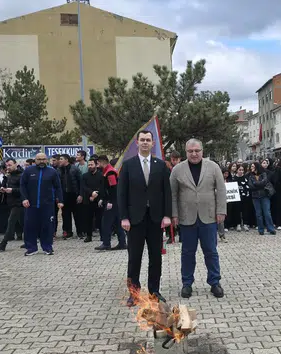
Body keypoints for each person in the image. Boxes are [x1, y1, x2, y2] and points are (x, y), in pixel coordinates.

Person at [118, 130, 171, 306]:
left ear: (153, 143)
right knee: (134, 257)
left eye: (148, 140)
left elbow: (167, 193)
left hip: (156, 219)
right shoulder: (128, 165)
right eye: (142, 140)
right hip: (134, 220)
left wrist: (167, 215)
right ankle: (134, 293)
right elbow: (122, 193)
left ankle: (154, 291)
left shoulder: (161, 165)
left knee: (156, 257)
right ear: (137, 143)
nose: (145, 143)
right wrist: (124, 217)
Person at [170, 139, 226, 299]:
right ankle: (187, 284)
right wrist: (174, 214)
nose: (194, 154)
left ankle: (215, 282)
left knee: (211, 251)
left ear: (202, 150)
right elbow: (172, 194)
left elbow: (221, 190)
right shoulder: (177, 170)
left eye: (197, 150)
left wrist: (221, 210)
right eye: (190, 151)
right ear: (185, 152)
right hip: (186, 218)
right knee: (187, 252)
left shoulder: (213, 167)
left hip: (208, 216)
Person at [20, 153, 63, 256]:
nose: (41, 161)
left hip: (47, 204)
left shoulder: (52, 171)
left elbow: (58, 187)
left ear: (46, 160)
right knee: (30, 226)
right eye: (39, 159)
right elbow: (22, 185)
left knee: (47, 227)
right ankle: (31, 248)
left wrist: (60, 200)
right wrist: (24, 198)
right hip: (31, 205)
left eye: (43, 159)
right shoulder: (28, 171)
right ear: (35, 160)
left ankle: (47, 247)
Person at [95, 155, 126, 251]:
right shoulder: (107, 171)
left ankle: (106, 243)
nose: (97, 165)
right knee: (117, 223)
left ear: (102, 162)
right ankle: (122, 243)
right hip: (114, 201)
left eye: (98, 163)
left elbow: (113, 188)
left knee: (106, 223)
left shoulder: (110, 172)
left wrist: (110, 201)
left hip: (113, 202)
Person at [0, 158, 25, 252]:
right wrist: (3, 189)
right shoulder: (8, 176)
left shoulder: (21, 175)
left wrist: (12, 190)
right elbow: (5, 186)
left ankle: (3, 243)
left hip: (19, 203)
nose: (8, 167)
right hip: (11, 203)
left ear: (16, 164)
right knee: (24, 223)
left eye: (10, 165)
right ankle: (30, 240)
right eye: (7, 165)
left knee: (11, 223)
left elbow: (23, 190)